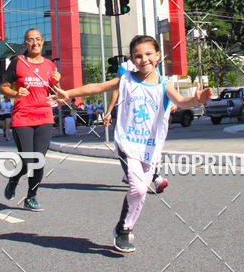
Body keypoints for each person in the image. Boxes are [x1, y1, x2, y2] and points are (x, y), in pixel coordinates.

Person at [57, 35, 212, 253]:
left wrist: (197, 99)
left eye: (149, 54)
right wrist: (68, 94)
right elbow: (97, 87)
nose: (144, 59)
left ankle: (124, 227)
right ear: (132, 59)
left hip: (150, 147)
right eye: (138, 56)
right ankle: (124, 230)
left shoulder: (163, 86)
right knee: (138, 188)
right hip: (127, 143)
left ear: (157, 56)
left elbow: (182, 102)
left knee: (140, 192)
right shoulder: (126, 80)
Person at [0, 28, 61, 211]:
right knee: (28, 161)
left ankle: (31, 197)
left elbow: (56, 92)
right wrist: (16, 92)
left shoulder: (50, 65)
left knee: (38, 161)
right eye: (31, 40)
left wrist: (57, 82)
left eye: (38, 39)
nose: (35, 43)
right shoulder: (18, 62)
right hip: (23, 115)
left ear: (43, 42)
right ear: (25, 43)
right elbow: (4, 87)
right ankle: (15, 178)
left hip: (44, 116)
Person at [103, 59, 170, 194]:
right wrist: (109, 111)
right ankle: (140, 175)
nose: (143, 57)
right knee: (131, 147)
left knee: (138, 147)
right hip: (132, 114)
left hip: (142, 115)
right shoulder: (127, 68)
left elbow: (161, 88)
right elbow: (117, 89)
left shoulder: (148, 67)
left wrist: (171, 103)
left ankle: (152, 176)